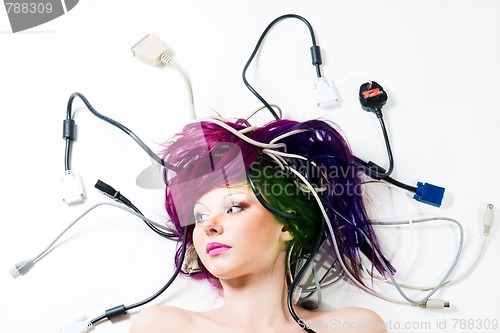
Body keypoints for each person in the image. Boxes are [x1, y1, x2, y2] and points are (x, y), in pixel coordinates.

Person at [129, 117, 393, 333]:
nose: (209, 225)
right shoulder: (162, 327)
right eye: (199, 216)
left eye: (234, 208)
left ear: (289, 227)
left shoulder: (354, 328)